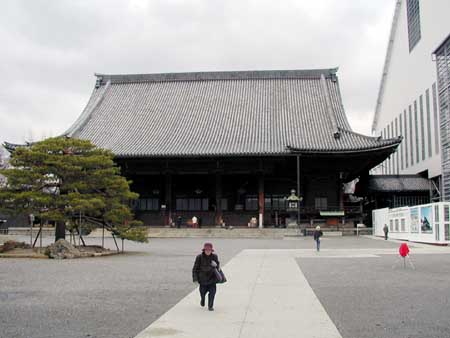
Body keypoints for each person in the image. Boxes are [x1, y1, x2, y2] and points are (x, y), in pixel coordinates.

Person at [192, 242, 220, 311]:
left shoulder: (214, 256)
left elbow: (218, 267)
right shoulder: (199, 257)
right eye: (206, 250)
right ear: (204, 250)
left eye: (209, 250)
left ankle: (210, 306)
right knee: (202, 293)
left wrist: (216, 265)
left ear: (211, 250)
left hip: (212, 279)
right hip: (202, 280)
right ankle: (202, 300)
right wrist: (195, 278)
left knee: (212, 293)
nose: (208, 251)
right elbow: (195, 269)